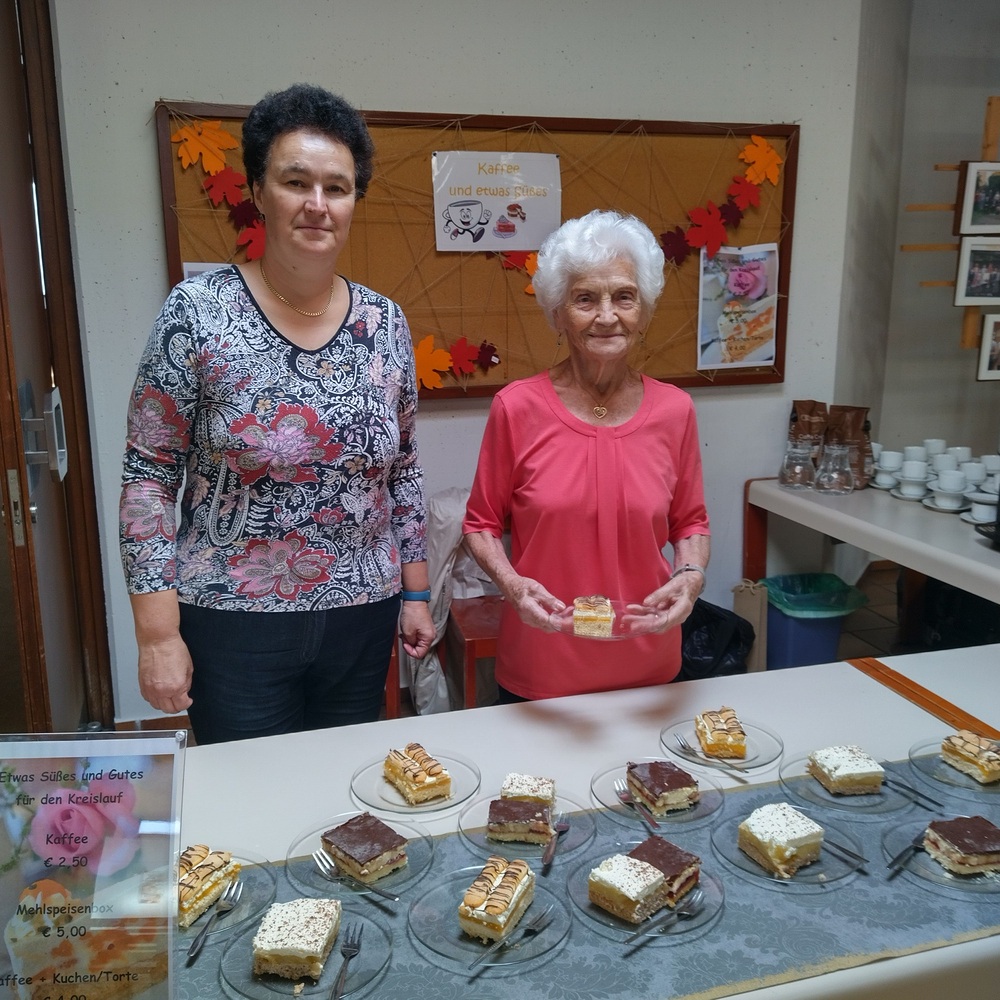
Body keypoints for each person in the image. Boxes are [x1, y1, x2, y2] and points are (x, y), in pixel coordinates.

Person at [120, 84, 434, 743]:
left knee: (344, 787)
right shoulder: (197, 313)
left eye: (337, 188)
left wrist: (415, 593)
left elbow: (403, 470)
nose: (318, 204)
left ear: (353, 201)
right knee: (249, 791)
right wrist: (157, 633)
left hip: (363, 615)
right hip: (232, 621)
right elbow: (149, 475)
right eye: (296, 182)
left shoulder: (385, 323)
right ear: (259, 192)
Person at [463, 209, 710, 701]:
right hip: (543, 665)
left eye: (624, 296)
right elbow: (480, 525)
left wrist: (690, 576)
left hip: (650, 662)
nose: (607, 316)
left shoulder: (675, 410)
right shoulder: (517, 408)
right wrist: (512, 585)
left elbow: (691, 524)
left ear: (644, 311)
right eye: (585, 299)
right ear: (557, 314)